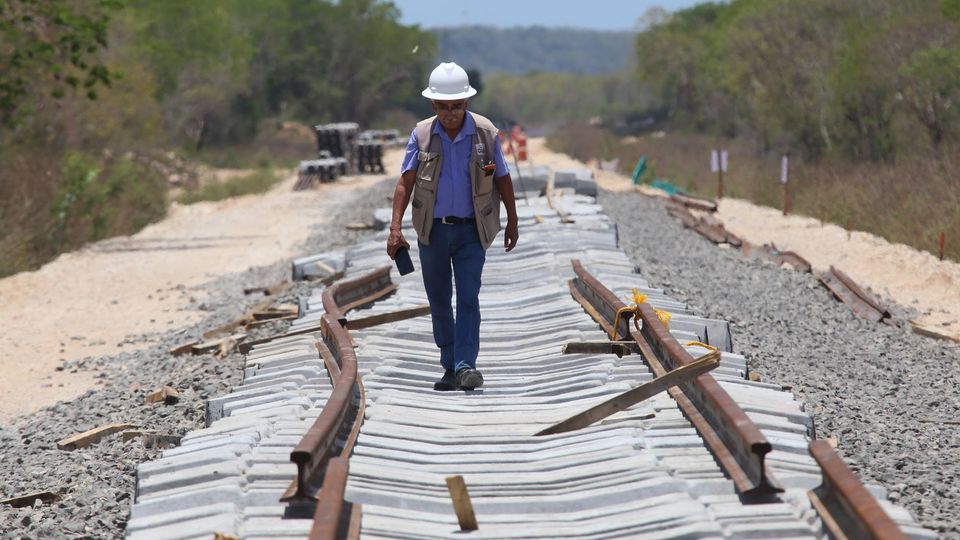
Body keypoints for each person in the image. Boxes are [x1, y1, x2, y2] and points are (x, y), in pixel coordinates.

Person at [386, 62, 519, 391]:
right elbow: (406, 182)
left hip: (472, 232)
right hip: (433, 231)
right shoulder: (421, 135)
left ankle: (465, 365)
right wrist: (395, 228)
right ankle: (450, 364)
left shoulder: (485, 134)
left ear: (466, 104)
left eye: (456, 106)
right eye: (443, 107)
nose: (450, 114)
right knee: (440, 299)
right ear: (433, 105)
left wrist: (513, 221)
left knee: (469, 297)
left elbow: (502, 178)